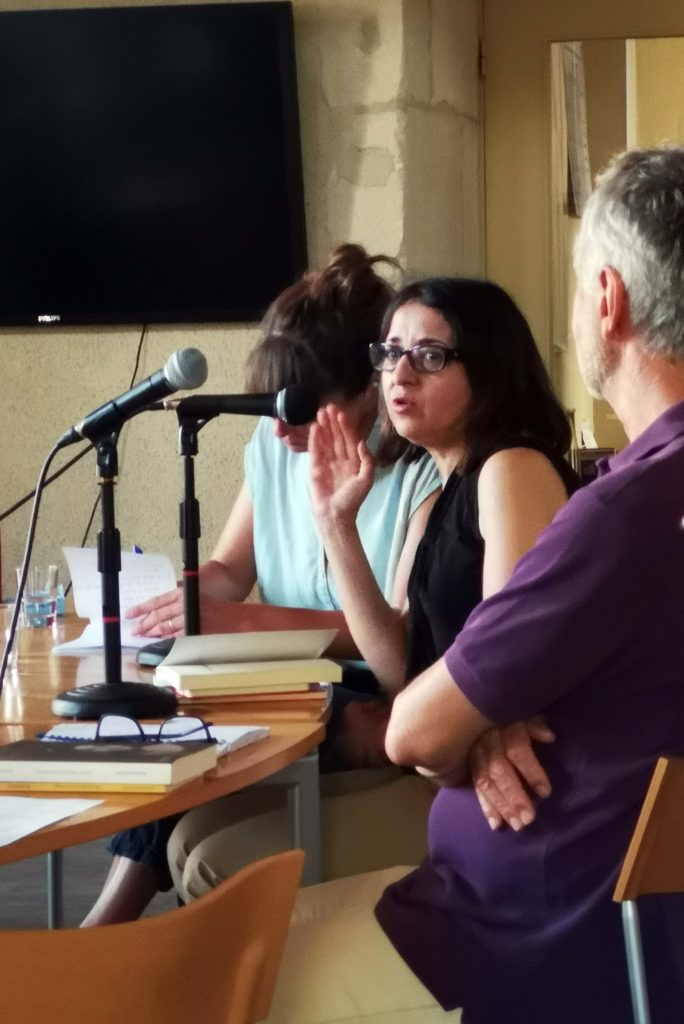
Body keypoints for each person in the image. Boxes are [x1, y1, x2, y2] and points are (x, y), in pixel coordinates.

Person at [251, 145, 684, 1024]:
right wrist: (488, 713)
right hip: (634, 933)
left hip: (508, 941)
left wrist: (474, 718)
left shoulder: (628, 509)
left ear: (607, 299)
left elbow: (413, 728)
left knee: (223, 964)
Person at [167, 276, 579, 901]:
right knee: (189, 836)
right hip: (444, 768)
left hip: (508, 789)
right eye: (390, 353)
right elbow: (397, 667)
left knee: (218, 866)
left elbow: (513, 667)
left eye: (430, 356)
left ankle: (333, 965)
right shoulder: (448, 486)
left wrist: (451, 733)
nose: (399, 374)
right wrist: (336, 522)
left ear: (490, 368)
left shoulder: (511, 468)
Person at [80, 243, 441, 926]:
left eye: (299, 407)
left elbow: (397, 640)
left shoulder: (420, 472)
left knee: (201, 736)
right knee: (173, 712)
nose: (279, 429)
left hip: (369, 688)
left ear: (368, 390)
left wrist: (243, 621)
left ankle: (110, 931)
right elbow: (228, 570)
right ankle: (111, 931)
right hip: (284, 681)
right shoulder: (275, 447)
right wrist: (177, 600)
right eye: (269, 406)